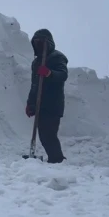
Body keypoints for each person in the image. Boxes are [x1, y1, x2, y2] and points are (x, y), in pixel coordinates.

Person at [25, 29, 69, 163]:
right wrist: (30, 104)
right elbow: (34, 85)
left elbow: (63, 75)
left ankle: (57, 159)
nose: (37, 45)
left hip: (53, 103)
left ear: (47, 43)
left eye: (40, 42)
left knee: (49, 134)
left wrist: (49, 73)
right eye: (35, 42)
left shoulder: (57, 57)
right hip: (40, 104)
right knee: (44, 134)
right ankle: (55, 159)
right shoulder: (36, 63)